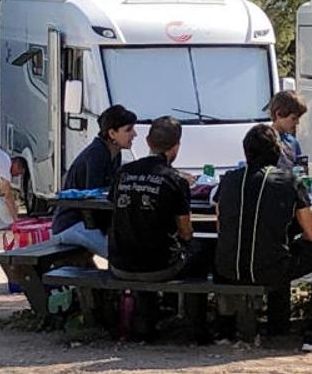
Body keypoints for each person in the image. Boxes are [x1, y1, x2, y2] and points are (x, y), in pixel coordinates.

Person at [215, 124, 312, 352]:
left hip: (228, 268)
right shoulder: (288, 182)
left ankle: (226, 327)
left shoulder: (228, 180)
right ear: (277, 152)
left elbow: (221, 225)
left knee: (269, 248)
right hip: (270, 269)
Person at [107, 116, 210, 341]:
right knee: (200, 252)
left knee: (146, 244)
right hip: (157, 268)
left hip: (118, 263)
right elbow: (186, 232)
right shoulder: (175, 181)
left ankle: (146, 318)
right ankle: (194, 323)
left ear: (147, 140)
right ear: (177, 147)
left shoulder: (124, 173)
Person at [49, 104, 137, 257]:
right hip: (72, 224)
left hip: (88, 224)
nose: (134, 134)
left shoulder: (115, 153)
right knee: (122, 257)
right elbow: (94, 200)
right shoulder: (97, 154)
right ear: (112, 133)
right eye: (128, 130)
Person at [269, 91, 308, 171]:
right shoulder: (263, 140)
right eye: (293, 118)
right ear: (278, 114)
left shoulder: (293, 142)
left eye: (298, 118)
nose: (297, 122)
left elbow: (300, 173)